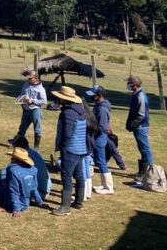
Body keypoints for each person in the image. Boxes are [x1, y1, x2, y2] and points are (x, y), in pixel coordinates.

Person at [51, 86, 89, 216]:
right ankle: (78, 202)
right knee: (79, 176)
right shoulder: (81, 110)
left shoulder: (68, 113)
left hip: (70, 149)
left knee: (66, 176)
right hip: (81, 148)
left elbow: (67, 133)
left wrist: (63, 148)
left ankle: (65, 206)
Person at [0, 147, 44, 217]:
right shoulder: (33, 169)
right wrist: (39, 201)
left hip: (11, 203)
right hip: (26, 203)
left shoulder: (13, 170)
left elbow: (14, 191)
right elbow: (34, 188)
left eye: (12, 157)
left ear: (15, 159)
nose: (11, 159)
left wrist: (16, 209)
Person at [86, 85, 114, 195]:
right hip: (97, 136)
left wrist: (92, 129)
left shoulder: (102, 109)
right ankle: (104, 184)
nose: (92, 97)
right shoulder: (99, 105)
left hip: (99, 137)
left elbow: (102, 127)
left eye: (93, 95)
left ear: (100, 95)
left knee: (101, 161)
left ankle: (108, 187)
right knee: (99, 160)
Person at [125, 75, 153, 184]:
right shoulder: (136, 94)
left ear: (135, 84)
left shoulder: (140, 96)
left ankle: (148, 174)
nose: (128, 85)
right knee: (142, 149)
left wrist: (133, 124)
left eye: (130, 83)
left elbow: (141, 115)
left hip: (140, 127)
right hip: (139, 127)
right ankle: (142, 172)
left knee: (145, 150)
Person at [10, 69, 47, 151]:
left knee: (37, 129)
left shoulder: (41, 89)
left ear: (36, 79)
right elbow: (22, 94)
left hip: (35, 111)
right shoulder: (26, 84)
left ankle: (36, 148)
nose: (28, 80)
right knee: (22, 128)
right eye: (28, 78)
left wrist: (33, 100)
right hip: (26, 110)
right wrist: (20, 99)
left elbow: (44, 101)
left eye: (30, 78)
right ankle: (16, 143)